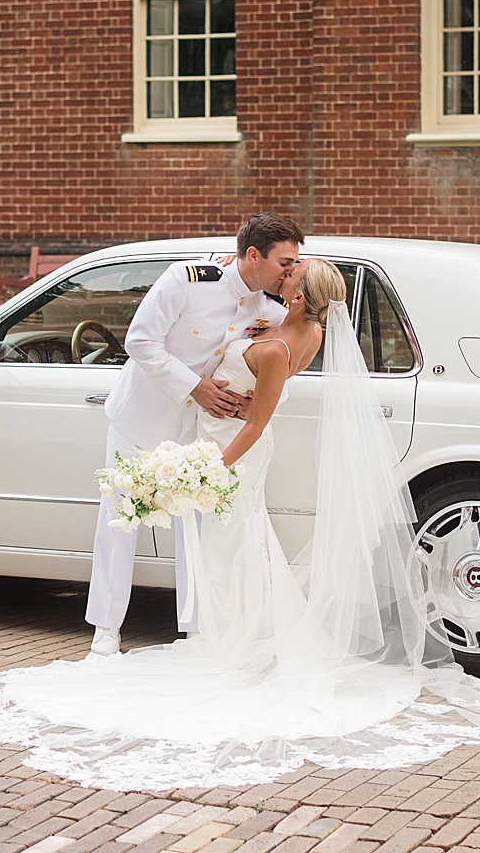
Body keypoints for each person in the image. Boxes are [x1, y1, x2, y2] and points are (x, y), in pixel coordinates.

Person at [0, 258, 480, 792]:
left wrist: (204, 469)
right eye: (287, 265)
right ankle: (224, 632)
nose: (286, 274)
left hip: (233, 453)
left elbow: (255, 422)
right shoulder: (281, 324)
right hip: (223, 445)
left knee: (232, 549)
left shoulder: (282, 343)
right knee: (231, 550)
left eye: (295, 273)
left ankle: (233, 643)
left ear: (304, 298)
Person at [85, 213, 301, 656]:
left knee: (198, 529)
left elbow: (282, 375)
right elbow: (141, 341)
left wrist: (250, 405)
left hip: (202, 433)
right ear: (254, 255)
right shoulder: (188, 280)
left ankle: (197, 630)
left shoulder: (271, 311)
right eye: (285, 261)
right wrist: (195, 387)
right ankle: (106, 629)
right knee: (121, 519)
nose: (290, 270)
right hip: (141, 419)